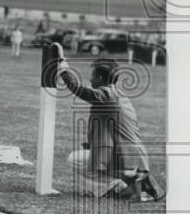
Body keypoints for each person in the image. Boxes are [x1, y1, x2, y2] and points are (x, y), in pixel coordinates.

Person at [58, 56, 164, 201]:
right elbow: (112, 131)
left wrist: (64, 69)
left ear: (100, 79)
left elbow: (79, 89)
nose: (90, 79)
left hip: (126, 161)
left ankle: (120, 188)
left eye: (92, 76)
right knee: (86, 157)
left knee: (75, 159)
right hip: (133, 158)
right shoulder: (118, 95)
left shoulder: (108, 96)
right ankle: (129, 186)